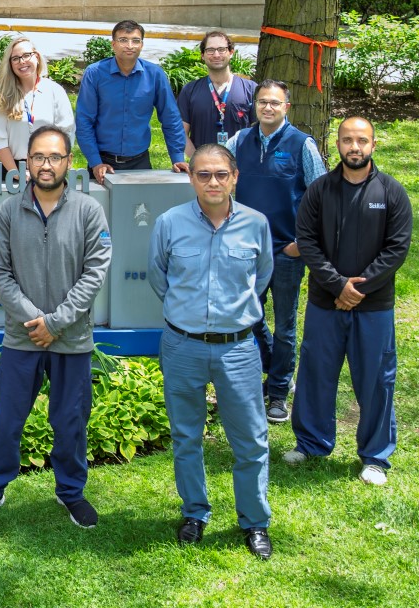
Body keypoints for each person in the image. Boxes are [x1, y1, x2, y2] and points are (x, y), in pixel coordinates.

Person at [0, 127, 110, 528]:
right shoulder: (8, 211)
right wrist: (36, 320)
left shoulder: (88, 211)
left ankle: (71, 492)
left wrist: (57, 323)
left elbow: (95, 272)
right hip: (23, 337)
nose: (46, 165)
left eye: (54, 157)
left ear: (69, 162)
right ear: (27, 162)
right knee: (6, 419)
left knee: (70, 421)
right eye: (38, 157)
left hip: (72, 339)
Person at [148, 144, 273, 560]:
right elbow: (158, 277)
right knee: (186, 436)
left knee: (251, 440)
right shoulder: (169, 223)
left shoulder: (256, 224)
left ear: (234, 177)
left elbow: (261, 277)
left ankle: (254, 521)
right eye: (203, 174)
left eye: (221, 174)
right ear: (191, 179)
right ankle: (194, 512)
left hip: (238, 349)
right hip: (182, 345)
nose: (213, 182)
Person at [285, 117, 412, 487]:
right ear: (337, 144)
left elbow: (397, 248)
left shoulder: (392, 192)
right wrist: (338, 284)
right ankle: (311, 443)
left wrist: (358, 288)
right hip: (325, 303)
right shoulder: (319, 191)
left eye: (362, 140)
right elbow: (307, 241)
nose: (354, 147)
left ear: (373, 145)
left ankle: (375, 456)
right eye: (347, 140)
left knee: (376, 379)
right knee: (316, 373)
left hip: (374, 306)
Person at [224, 80, 326, 424]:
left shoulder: (301, 144)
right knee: (249, 315)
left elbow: (321, 197)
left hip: (286, 250)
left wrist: (303, 243)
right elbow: (220, 183)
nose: (268, 107)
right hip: (246, 250)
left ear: (287, 107)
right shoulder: (239, 141)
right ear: (255, 105)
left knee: (284, 324)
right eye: (263, 102)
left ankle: (278, 392)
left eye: (275, 103)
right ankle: (274, 365)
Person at [75, 19, 188, 183]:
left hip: (140, 162)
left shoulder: (155, 75)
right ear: (113, 44)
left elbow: (171, 118)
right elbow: (84, 121)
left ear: (142, 45)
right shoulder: (95, 73)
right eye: (123, 40)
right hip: (102, 163)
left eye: (135, 40)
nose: (130, 45)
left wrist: (177, 157)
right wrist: (95, 162)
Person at [0, 36, 75, 174]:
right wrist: (16, 173)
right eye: (15, 58)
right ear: (10, 64)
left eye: (26, 55)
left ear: (36, 57)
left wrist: (48, 167)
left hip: (47, 168)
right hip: (7, 169)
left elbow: (65, 134)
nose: (22, 61)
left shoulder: (55, 91)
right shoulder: (2, 95)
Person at [177, 30, 255, 156]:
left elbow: (260, 132)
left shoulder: (250, 89)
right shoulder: (189, 91)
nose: (216, 54)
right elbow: (181, 133)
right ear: (203, 55)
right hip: (203, 165)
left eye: (221, 49)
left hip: (240, 164)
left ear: (231, 52)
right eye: (210, 50)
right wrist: (197, 161)